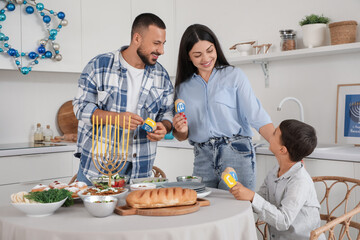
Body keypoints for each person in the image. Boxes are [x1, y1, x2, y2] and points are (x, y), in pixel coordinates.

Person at [73, 13, 174, 185]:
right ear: (137, 38)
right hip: (97, 168)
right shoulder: (100, 65)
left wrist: (163, 127)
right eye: (156, 43)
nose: (161, 51)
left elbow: (168, 113)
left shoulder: (161, 75)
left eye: (163, 44)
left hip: (141, 172)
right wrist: (116, 118)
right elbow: (80, 108)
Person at [172, 24, 274, 190]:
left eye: (210, 50)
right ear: (188, 57)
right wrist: (181, 130)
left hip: (236, 153)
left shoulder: (234, 76)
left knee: (237, 209)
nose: (206, 58)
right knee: (205, 211)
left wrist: (284, 151)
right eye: (197, 55)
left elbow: (257, 117)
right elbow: (181, 135)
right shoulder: (182, 88)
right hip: (202, 157)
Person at [230, 119, 325, 240]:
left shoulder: (300, 182)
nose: (270, 135)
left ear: (282, 150)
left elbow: (283, 221)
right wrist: (242, 193)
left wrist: (252, 197)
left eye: (274, 133)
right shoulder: (275, 171)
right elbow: (261, 199)